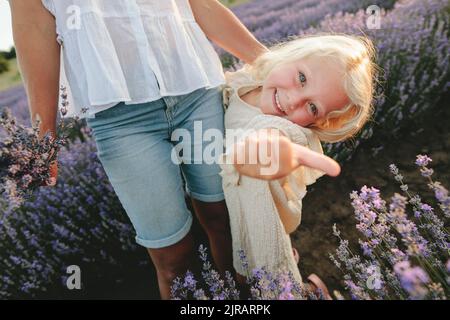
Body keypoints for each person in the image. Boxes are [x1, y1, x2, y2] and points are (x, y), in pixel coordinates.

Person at [8, 0, 270, 299]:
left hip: (196, 88)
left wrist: (272, 65)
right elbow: (34, 28)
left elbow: (200, 4)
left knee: (229, 222)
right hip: (121, 121)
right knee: (173, 261)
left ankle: (247, 299)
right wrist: (44, 139)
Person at [219, 34, 377, 298]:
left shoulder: (286, 129)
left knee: (271, 275)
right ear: (292, 56)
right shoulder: (249, 83)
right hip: (240, 208)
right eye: (302, 78)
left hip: (260, 218)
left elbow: (271, 136)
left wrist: (268, 147)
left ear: (319, 123)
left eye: (313, 107)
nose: (294, 101)